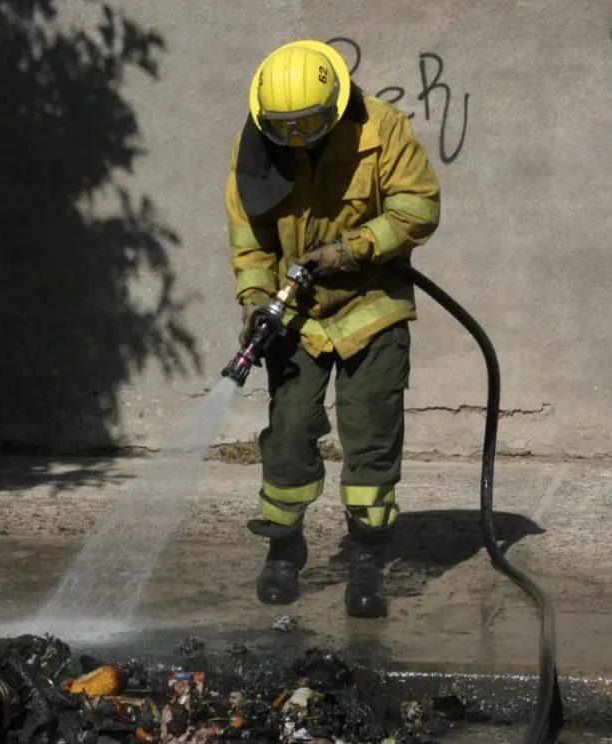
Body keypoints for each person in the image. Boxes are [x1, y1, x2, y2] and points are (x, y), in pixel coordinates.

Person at [224, 39, 441, 618]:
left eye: (311, 126)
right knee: (290, 430)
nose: (297, 141)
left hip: (372, 301)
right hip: (296, 311)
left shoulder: (383, 130)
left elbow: (418, 209)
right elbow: (249, 238)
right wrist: (254, 301)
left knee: (370, 434)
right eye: (284, 129)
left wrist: (354, 249)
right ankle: (283, 548)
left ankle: (366, 557)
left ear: (338, 108)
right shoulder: (257, 149)